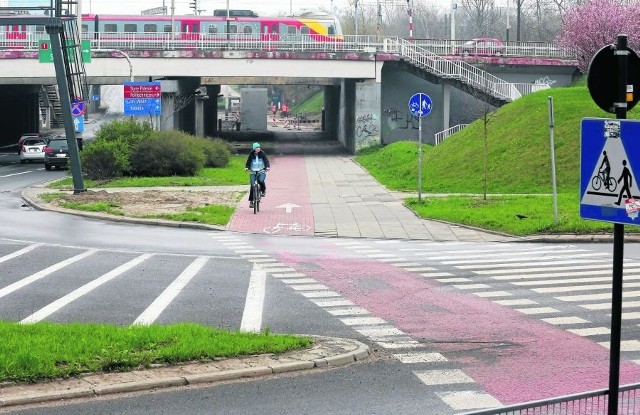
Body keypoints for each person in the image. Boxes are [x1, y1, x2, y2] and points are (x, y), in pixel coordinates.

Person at [245, 142, 270, 208]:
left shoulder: (262, 154)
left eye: (259, 147)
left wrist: (267, 167)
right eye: (257, 147)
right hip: (253, 172)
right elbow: (248, 162)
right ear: (254, 149)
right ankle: (251, 202)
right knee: (252, 186)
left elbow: (266, 161)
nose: (258, 148)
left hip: (261, 171)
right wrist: (247, 167)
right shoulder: (251, 154)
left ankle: (263, 190)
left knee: (261, 181)